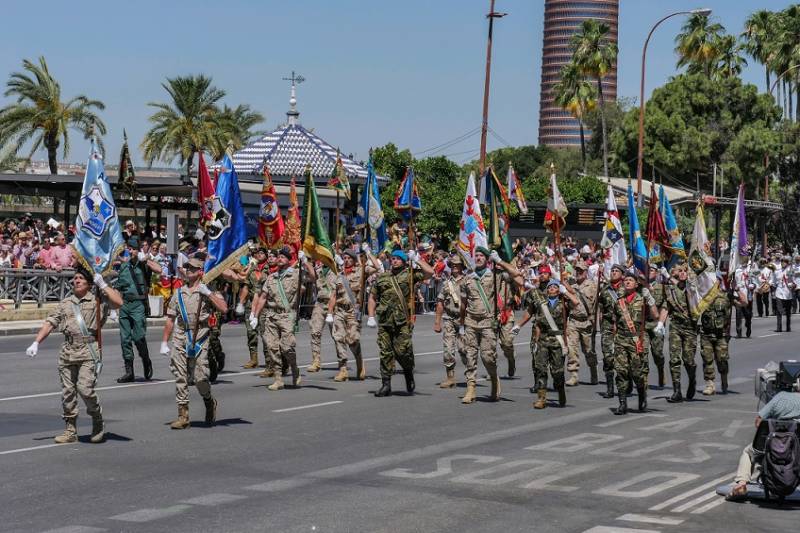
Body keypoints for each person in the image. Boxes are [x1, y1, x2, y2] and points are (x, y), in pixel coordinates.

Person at [25, 267, 123, 443]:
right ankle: (70, 430)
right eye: (75, 278)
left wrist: (103, 284)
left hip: (88, 350)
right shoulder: (65, 303)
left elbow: (118, 303)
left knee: (85, 389)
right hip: (68, 351)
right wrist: (36, 342)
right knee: (68, 393)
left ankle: (97, 419)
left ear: (89, 283)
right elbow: (50, 323)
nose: (76, 280)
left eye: (81, 278)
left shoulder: (98, 300)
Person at [158, 257, 227, 429]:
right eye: (187, 267)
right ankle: (183, 416)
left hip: (200, 336)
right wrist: (164, 342)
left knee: (200, 378)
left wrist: (208, 293)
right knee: (180, 376)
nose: (188, 270)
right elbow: (170, 319)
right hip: (181, 336)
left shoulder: (208, 290)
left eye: (193, 268)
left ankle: (209, 401)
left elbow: (224, 308)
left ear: (200, 272)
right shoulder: (178, 293)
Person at [458, 247, 523, 404]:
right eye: (476, 255)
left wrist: (499, 261)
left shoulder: (496, 275)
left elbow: (518, 276)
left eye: (482, 255)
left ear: (487, 259)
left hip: (488, 322)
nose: (478, 258)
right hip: (471, 321)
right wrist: (461, 325)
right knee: (470, 355)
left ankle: (494, 379)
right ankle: (471, 388)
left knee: (487, 356)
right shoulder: (468, 278)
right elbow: (463, 304)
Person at [366, 249, 434, 397]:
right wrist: (371, 316)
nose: (394, 261)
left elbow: (430, 272)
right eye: (392, 258)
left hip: (402, 321)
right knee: (385, 352)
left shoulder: (410, 274)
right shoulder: (383, 277)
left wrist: (416, 259)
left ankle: (408, 371)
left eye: (398, 258)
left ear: (403, 261)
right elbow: (372, 297)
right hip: (385, 321)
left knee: (403, 351)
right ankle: (386, 384)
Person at [726, 380, 800, 501]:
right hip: (796, 451)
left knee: (748, 452)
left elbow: (759, 421)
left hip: (770, 447)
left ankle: (742, 484)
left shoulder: (781, 397)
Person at [516, 276, 581, 409]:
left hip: (557, 341)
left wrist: (565, 291)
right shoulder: (542, 303)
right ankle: (541, 398)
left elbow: (576, 302)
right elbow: (538, 323)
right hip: (543, 340)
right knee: (541, 369)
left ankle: (560, 390)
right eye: (550, 287)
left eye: (555, 286)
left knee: (557, 372)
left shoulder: (564, 303)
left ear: (558, 290)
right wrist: (535, 341)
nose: (552, 288)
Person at [249, 246, 302, 391]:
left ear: (289, 260)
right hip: (271, 316)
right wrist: (255, 315)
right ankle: (278, 379)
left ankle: (294, 368)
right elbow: (263, 297)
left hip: (286, 315)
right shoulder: (271, 277)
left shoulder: (296, 274)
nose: (279, 259)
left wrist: (305, 261)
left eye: (283, 257)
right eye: (279, 257)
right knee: (272, 347)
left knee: (287, 347)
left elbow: (313, 277)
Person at [610, 271, 660, 415]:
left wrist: (650, 299)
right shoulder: (619, 301)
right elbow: (615, 322)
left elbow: (655, 316)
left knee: (637, 373)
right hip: (621, 340)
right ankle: (622, 403)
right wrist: (614, 341)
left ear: (636, 284)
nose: (627, 282)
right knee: (621, 371)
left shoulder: (642, 299)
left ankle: (642, 395)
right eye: (626, 280)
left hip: (636, 340)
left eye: (631, 280)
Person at [329, 245, 381, 380]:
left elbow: (377, 267)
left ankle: (359, 360)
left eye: (349, 258)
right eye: (344, 258)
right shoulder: (339, 274)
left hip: (353, 311)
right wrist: (329, 313)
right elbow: (334, 295)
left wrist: (368, 252)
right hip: (340, 310)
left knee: (352, 339)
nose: (346, 260)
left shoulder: (361, 270)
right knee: (338, 338)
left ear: (353, 259)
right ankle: (343, 369)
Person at [114, 236, 161, 383]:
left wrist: (145, 260)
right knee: (125, 339)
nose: (130, 251)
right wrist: (116, 307)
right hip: (125, 305)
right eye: (129, 248)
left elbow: (159, 269)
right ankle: (129, 371)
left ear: (138, 250)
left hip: (138, 304)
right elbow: (119, 287)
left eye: (133, 249)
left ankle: (146, 360)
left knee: (139, 337)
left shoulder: (143, 265)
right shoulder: (124, 266)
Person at [657, 263, 699, 403]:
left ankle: (692, 380)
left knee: (688, 360)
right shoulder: (671, 290)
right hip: (675, 326)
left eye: (685, 271)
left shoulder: (694, 290)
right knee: (674, 359)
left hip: (690, 328)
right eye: (680, 270)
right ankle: (677, 391)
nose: (682, 273)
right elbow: (666, 307)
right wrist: (660, 323)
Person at [434, 253, 468, 388]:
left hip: (464, 320)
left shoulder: (468, 281)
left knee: (464, 349)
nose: (454, 266)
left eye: (457, 264)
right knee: (448, 349)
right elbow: (440, 302)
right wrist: (437, 322)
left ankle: (470, 374)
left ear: (461, 266)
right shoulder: (446, 283)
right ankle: (450, 378)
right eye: (452, 264)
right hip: (449, 319)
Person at [236, 246, 270, 371]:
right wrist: (240, 303)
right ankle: (253, 359)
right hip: (251, 304)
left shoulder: (270, 268)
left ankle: (269, 361)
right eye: (257, 253)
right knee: (251, 332)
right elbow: (246, 286)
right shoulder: (251, 268)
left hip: (265, 305)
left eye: (261, 253)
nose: (259, 255)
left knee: (266, 334)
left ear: (266, 255)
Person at [305, 255, 339, 376]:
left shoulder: (337, 269)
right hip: (320, 304)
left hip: (334, 304)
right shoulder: (319, 270)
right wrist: (306, 261)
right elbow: (312, 278)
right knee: (315, 332)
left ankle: (342, 360)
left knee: (337, 335)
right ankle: (316, 361)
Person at [565, 260, 598, 386]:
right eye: (577, 270)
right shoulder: (571, 286)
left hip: (587, 323)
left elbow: (596, 303)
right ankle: (574, 375)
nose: (578, 272)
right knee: (571, 349)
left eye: (581, 271)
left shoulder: (592, 285)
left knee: (589, 351)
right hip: (573, 321)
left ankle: (593, 370)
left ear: (586, 272)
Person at [699, 285, 737, 395]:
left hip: (721, 334)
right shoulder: (703, 294)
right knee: (707, 359)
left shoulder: (726, 295)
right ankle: (710, 385)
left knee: (722, 360)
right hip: (706, 333)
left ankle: (724, 380)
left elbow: (743, 302)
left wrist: (737, 289)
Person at [597, 264, 626, 399]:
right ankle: (610, 388)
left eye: (616, 271)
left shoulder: (626, 288)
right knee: (608, 357)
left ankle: (625, 383)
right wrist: (600, 326)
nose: (613, 272)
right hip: (608, 326)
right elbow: (601, 309)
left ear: (622, 274)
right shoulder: (605, 289)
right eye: (612, 271)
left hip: (623, 326)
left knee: (622, 359)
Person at [645, 264, 667, 388]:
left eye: (652, 270)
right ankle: (644, 379)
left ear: (657, 273)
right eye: (647, 270)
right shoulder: (640, 286)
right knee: (642, 352)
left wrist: (661, 323)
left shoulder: (661, 287)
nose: (649, 272)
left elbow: (665, 305)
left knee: (657, 352)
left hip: (656, 323)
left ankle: (661, 369)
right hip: (643, 324)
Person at [771, 256, 794, 332]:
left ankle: (788, 326)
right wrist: (773, 291)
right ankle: (779, 327)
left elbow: (794, 281)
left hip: (788, 293)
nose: (783, 263)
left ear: (787, 263)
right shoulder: (777, 271)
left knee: (788, 312)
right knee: (779, 311)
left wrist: (792, 284)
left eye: (784, 262)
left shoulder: (790, 271)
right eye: (782, 262)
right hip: (779, 293)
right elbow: (774, 282)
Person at [734, 261, 753, 338]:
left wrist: (752, 286)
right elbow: (732, 281)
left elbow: (756, 281)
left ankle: (748, 327)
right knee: (738, 314)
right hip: (738, 294)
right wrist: (734, 287)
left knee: (748, 315)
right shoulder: (736, 270)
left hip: (747, 295)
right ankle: (739, 332)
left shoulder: (751, 269)